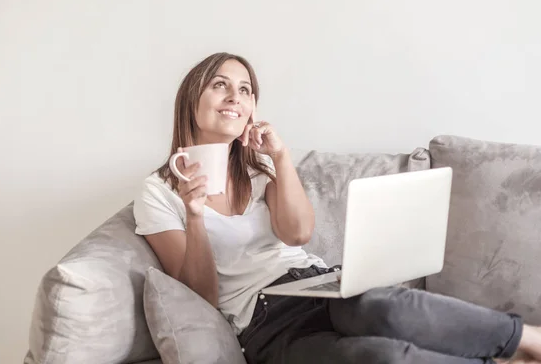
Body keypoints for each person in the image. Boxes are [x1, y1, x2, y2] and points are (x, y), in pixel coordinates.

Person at [134, 52, 541, 364]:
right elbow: (201, 295)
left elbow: (297, 234)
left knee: (381, 306)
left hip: (316, 285)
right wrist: (195, 216)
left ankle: (529, 341)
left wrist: (281, 158)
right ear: (192, 99)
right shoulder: (159, 192)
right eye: (220, 85)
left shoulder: (259, 169)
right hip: (264, 321)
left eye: (245, 90)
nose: (235, 98)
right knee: (374, 357)